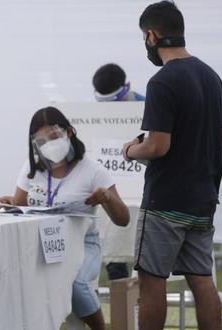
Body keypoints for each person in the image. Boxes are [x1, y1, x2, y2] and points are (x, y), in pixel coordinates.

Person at [121, 2, 222, 329]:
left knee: (152, 282)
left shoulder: (162, 81)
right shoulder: (211, 76)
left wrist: (130, 150)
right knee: (201, 280)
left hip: (165, 202)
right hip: (203, 200)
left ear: (151, 35)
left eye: (144, 37)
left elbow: (158, 145)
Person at [0, 106, 129, 330]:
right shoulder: (32, 169)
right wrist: (10, 202)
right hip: (41, 244)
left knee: (76, 282)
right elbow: (20, 206)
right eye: (41, 142)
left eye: (54, 136)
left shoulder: (92, 170)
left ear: (68, 132)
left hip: (82, 243)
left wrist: (106, 197)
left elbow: (123, 219)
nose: (49, 144)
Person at [93, 63, 145, 281]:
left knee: (144, 260)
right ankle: (122, 309)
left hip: (140, 196)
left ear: (127, 87)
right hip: (112, 194)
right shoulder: (91, 116)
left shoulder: (147, 107)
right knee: (115, 261)